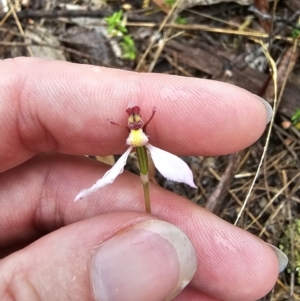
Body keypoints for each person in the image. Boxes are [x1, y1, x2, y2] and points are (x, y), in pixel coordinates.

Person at [0, 57, 285, 301]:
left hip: (147, 153)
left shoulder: (144, 141)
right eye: (133, 121)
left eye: (138, 121)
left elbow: (176, 170)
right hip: (134, 155)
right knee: (114, 184)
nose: (135, 122)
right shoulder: (133, 140)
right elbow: (109, 176)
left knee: (165, 181)